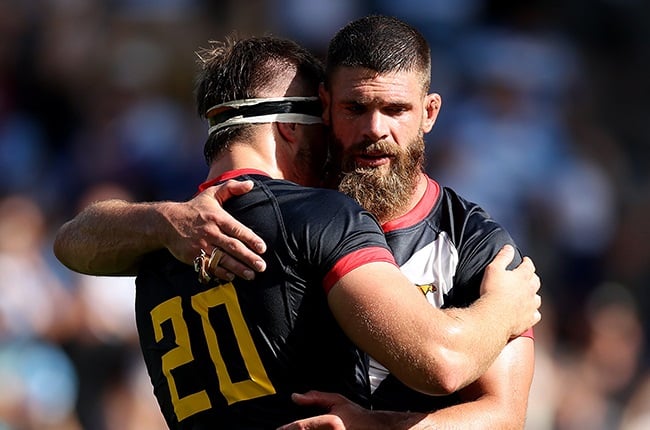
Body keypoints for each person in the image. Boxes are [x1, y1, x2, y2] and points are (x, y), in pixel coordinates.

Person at [54, 34, 541, 429]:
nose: (372, 129)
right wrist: (503, 310)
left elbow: (502, 414)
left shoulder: (164, 243)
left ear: (429, 111)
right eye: (345, 110)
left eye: (395, 109)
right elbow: (442, 360)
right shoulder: (317, 215)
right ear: (301, 123)